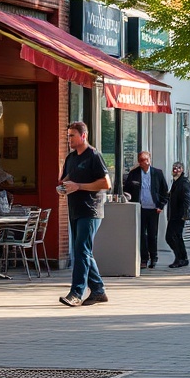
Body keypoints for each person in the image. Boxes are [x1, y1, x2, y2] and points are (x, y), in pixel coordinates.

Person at [58, 121, 111, 307]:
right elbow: (66, 179)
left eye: (72, 135)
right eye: (68, 136)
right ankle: (98, 290)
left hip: (91, 210)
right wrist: (62, 187)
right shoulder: (71, 158)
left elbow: (106, 183)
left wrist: (79, 186)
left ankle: (76, 292)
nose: (69, 139)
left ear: (83, 136)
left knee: (81, 250)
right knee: (83, 252)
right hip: (74, 209)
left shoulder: (94, 156)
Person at [123, 151, 169, 269]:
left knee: (152, 234)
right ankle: (144, 258)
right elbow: (126, 190)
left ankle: (154, 257)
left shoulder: (157, 173)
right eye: (143, 160)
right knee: (142, 234)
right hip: (140, 209)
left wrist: (161, 205)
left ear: (150, 160)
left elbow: (165, 191)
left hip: (154, 209)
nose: (146, 162)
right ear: (139, 162)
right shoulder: (134, 174)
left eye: (147, 159)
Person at [166, 161, 190, 268]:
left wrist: (185, 214)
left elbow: (186, 199)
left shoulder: (184, 182)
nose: (175, 170)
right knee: (177, 237)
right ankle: (183, 258)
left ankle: (179, 258)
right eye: (174, 168)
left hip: (179, 215)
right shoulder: (175, 182)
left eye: (178, 168)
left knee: (171, 237)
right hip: (174, 215)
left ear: (182, 170)